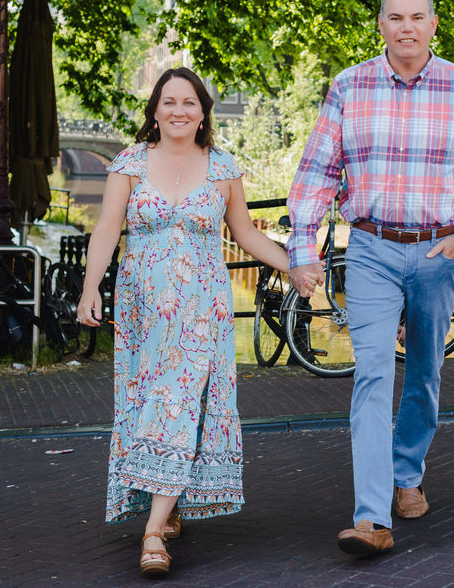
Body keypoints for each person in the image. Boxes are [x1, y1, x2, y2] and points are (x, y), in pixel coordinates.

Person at [287, 0, 454, 556]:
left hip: (440, 252)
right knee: (371, 373)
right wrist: (303, 247)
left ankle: (407, 472)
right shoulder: (349, 86)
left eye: (418, 17)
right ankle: (370, 518)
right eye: (396, 17)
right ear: (382, 25)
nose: (407, 27)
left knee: (422, 371)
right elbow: (318, 172)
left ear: (434, 25)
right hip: (371, 248)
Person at [77, 67, 316, 577]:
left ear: (203, 111)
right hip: (143, 311)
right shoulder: (130, 163)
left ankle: (151, 536)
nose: (179, 110)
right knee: (148, 399)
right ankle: (170, 504)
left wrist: (292, 265)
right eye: (169, 102)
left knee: (179, 398)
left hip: (201, 310)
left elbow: (246, 234)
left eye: (189, 102)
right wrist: (89, 286)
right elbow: (106, 230)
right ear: (155, 111)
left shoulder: (223, 167)